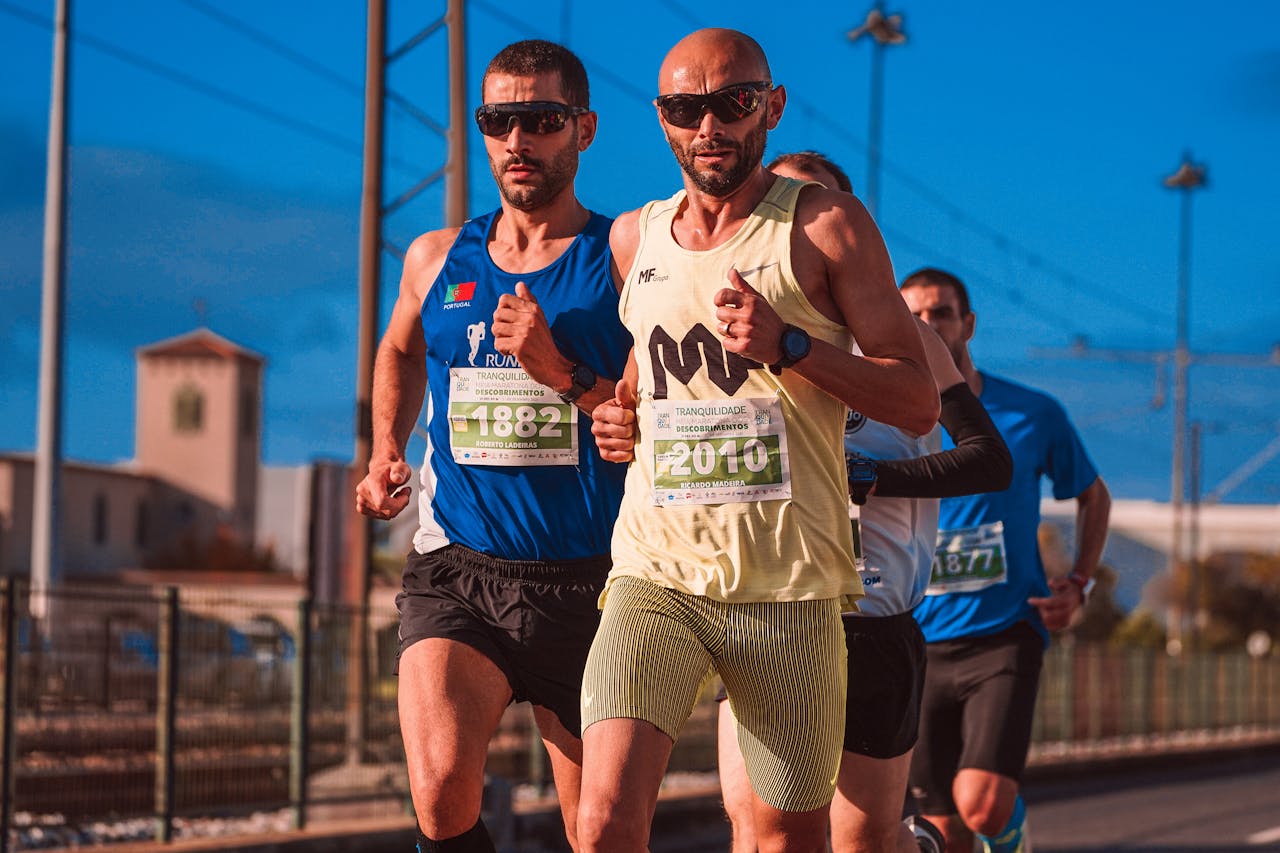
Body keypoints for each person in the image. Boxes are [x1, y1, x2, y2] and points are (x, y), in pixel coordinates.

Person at [579, 29, 939, 853]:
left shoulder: (825, 227)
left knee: (782, 838)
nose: (708, 126)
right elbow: (644, 364)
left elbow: (917, 400)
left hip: (787, 588)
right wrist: (618, 411)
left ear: (770, 109)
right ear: (662, 121)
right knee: (600, 822)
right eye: (684, 108)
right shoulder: (636, 239)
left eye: (732, 104)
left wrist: (794, 347)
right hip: (656, 572)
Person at [354, 39, 631, 853]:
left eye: (541, 120)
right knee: (441, 792)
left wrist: (562, 371)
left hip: (593, 584)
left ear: (582, 128)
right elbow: (401, 347)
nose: (518, 140)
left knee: (600, 831)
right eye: (497, 120)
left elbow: (656, 413)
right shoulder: (437, 257)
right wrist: (383, 448)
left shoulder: (622, 260)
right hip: (460, 569)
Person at [708, 151, 1011, 853]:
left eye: (821, 207)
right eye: (785, 206)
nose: (804, 223)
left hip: (872, 617)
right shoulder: (730, 334)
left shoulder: (911, 343)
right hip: (763, 606)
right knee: (758, 832)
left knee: (862, 840)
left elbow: (990, 460)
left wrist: (874, 476)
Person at [901, 268, 1112, 853]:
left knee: (984, 807)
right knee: (943, 834)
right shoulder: (884, 422)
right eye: (912, 314)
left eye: (941, 313)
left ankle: (1012, 835)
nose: (927, 325)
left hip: (1004, 635)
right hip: (914, 643)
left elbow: (1094, 494)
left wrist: (1080, 583)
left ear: (968, 324)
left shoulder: (1031, 412)